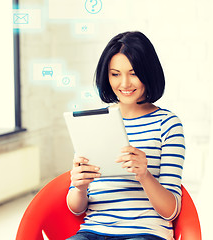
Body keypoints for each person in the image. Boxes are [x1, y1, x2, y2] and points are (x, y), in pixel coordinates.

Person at [66, 31, 185, 240]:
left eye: (134, 73)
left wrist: (144, 176)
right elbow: (76, 208)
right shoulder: (92, 123)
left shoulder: (167, 124)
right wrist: (80, 187)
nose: (125, 84)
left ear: (148, 73)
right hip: (93, 232)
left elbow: (171, 210)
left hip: (145, 233)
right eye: (115, 74)